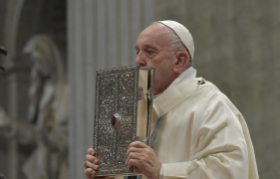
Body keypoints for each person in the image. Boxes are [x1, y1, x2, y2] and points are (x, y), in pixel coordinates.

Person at [84, 20, 259, 179]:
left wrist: (161, 171)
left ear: (179, 61)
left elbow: (229, 172)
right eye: (137, 52)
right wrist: (105, 175)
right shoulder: (136, 109)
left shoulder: (211, 105)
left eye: (149, 52)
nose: (138, 61)